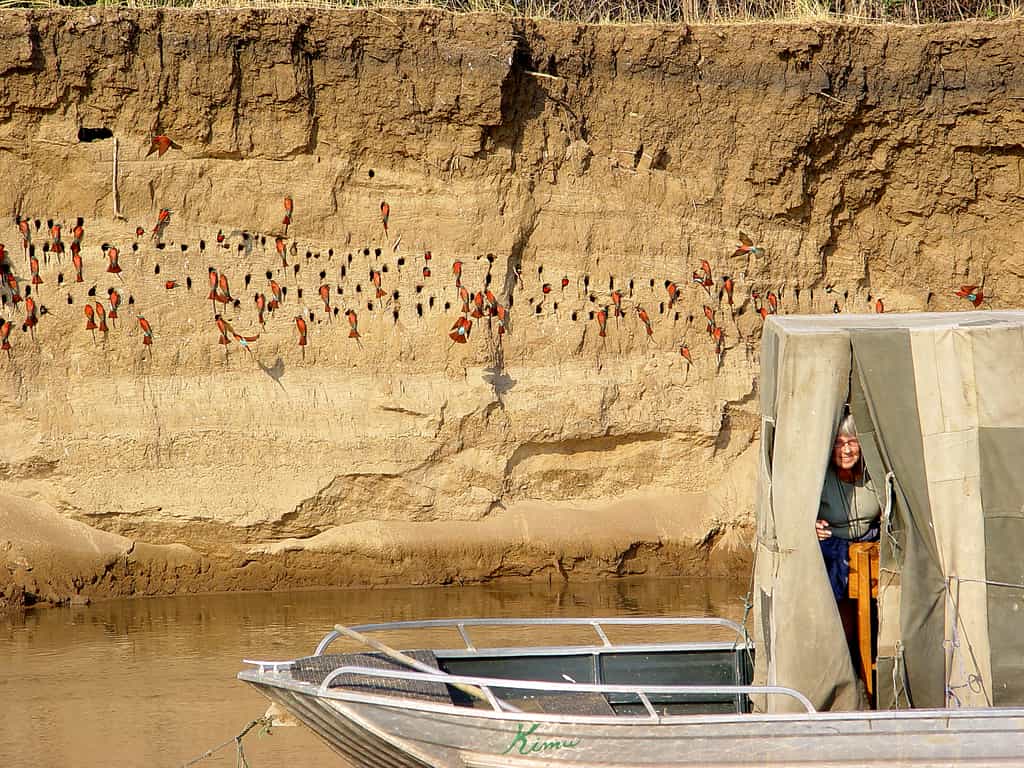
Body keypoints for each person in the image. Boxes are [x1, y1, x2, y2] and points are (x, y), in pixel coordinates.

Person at [816, 414, 881, 601]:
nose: (846, 450)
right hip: (829, 544)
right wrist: (810, 526)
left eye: (852, 442)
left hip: (869, 541)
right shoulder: (820, 476)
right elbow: (797, 510)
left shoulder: (874, 474)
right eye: (838, 443)